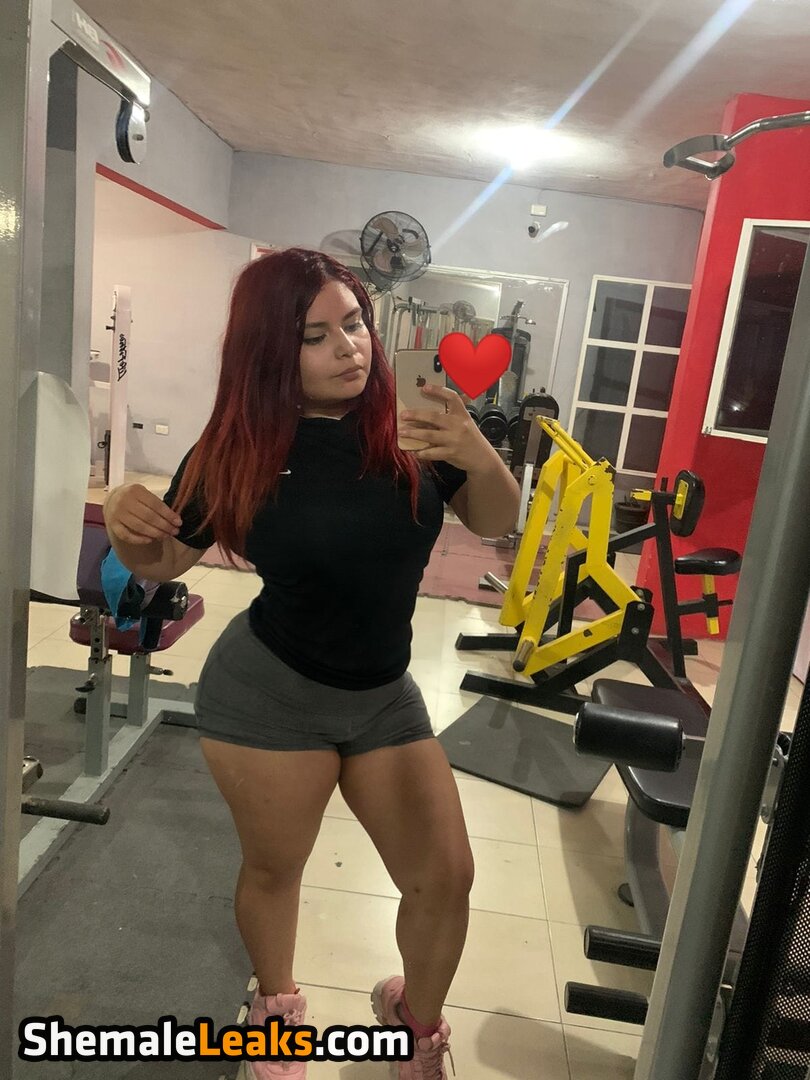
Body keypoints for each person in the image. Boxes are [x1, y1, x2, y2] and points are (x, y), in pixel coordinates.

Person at [103, 248, 520, 1079]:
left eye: (355, 324)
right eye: (316, 335)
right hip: (270, 695)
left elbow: (495, 520)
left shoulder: (412, 428)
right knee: (276, 869)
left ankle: (414, 1025)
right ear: (270, 352)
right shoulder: (237, 448)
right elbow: (163, 561)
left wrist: (477, 450)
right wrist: (120, 509)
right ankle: (276, 1014)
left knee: (445, 877)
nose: (349, 347)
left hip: (382, 695)